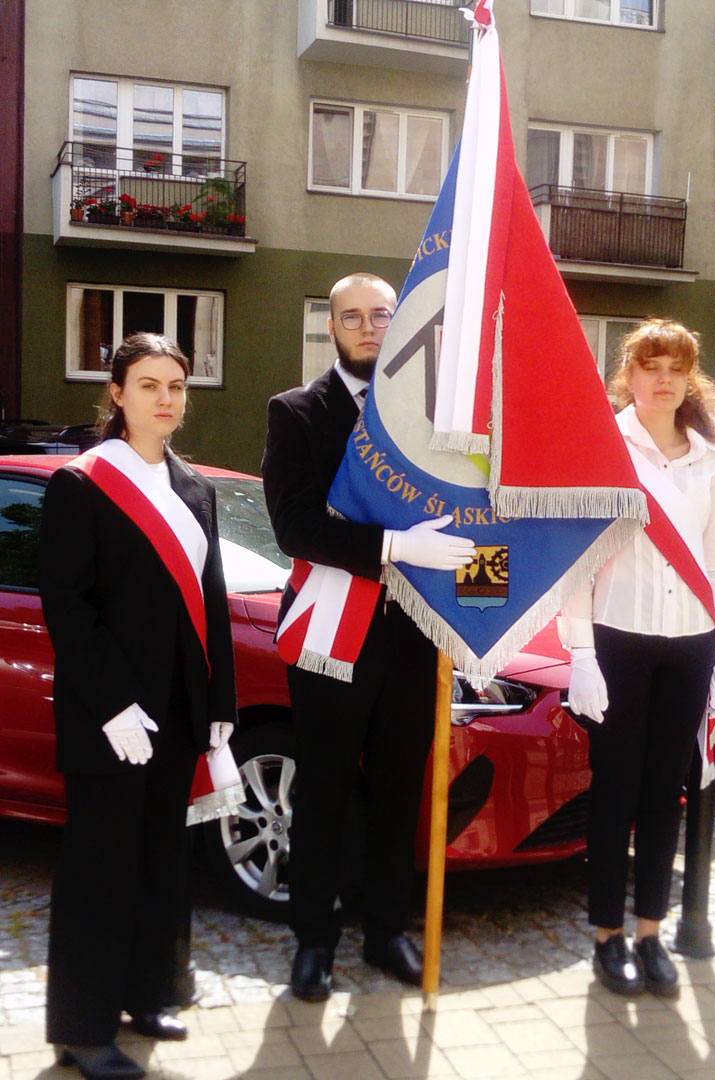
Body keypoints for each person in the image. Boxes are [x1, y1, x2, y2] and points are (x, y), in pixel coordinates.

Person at [262, 272, 476, 1002]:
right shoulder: (296, 412)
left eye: (381, 315)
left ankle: (386, 931)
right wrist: (392, 547)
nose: (368, 328)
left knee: (398, 789)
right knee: (322, 789)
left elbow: (470, 513)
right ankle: (313, 941)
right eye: (351, 317)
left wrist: (480, 614)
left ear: (399, 323)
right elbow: (294, 526)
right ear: (332, 328)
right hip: (330, 628)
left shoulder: (433, 418)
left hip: (414, 633)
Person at [39, 333, 238, 1080]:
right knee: (101, 869)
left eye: (176, 386)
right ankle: (83, 1029)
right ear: (117, 394)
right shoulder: (82, 484)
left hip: (179, 711)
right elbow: (67, 606)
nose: (165, 399)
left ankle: (150, 994)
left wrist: (219, 700)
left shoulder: (195, 488)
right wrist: (113, 703)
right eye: (148, 385)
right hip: (113, 718)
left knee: (163, 861)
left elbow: (210, 599)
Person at [560, 319, 715, 999]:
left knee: (667, 791)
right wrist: (581, 653)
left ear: (689, 379)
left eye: (675, 369)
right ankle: (607, 935)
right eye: (650, 367)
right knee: (615, 790)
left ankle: (649, 931)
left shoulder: (710, 458)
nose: (663, 380)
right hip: (619, 638)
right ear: (628, 376)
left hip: (690, 641)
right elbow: (578, 559)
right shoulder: (602, 446)